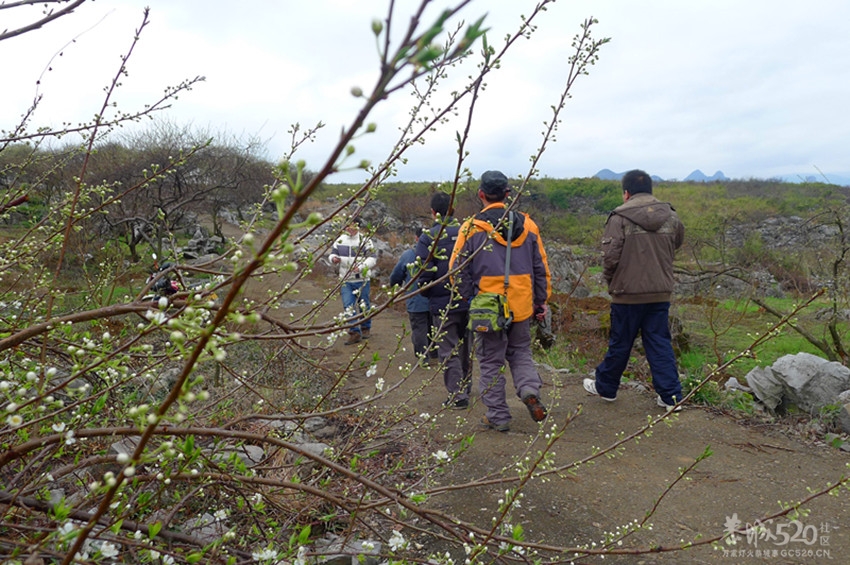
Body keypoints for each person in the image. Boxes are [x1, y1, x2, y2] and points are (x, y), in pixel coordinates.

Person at [450, 171, 551, 431]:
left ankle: (498, 416)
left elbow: (456, 269)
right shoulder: (528, 226)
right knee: (521, 353)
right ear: (508, 194)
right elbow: (541, 268)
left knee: (490, 361)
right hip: (521, 305)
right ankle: (529, 389)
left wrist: (467, 297)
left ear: (481, 194)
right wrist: (541, 302)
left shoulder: (471, 228)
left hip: (487, 308)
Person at [582, 169, 685, 412]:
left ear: (626, 193)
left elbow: (610, 258)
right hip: (660, 292)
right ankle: (671, 398)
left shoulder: (619, 217)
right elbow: (676, 245)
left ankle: (606, 388)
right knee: (659, 342)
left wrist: (613, 283)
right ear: (650, 190)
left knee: (620, 342)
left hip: (626, 293)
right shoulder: (672, 217)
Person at [416, 192, 472, 409]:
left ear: (433, 212)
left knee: (448, 348)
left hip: (441, 302)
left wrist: (428, 293)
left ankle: (457, 395)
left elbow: (423, 272)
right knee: (466, 346)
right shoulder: (465, 233)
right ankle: (465, 387)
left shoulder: (428, 237)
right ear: (453, 210)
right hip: (466, 300)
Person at [329, 220, 376, 345]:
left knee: (364, 305)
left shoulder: (366, 240)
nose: (350, 229)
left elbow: (372, 259)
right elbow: (332, 254)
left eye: (353, 227)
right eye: (348, 226)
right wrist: (333, 259)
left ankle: (366, 328)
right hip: (346, 280)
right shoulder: (340, 240)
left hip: (362, 280)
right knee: (348, 305)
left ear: (358, 226)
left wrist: (360, 267)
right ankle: (354, 332)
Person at [389, 241, 433, 363]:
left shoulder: (408, 255)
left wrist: (394, 285)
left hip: (416, 299)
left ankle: (422, 357)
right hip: (434, 297)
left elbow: (397, 274)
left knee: (419, 328)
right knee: (432, 325)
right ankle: (434, 352)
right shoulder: (436, 252)